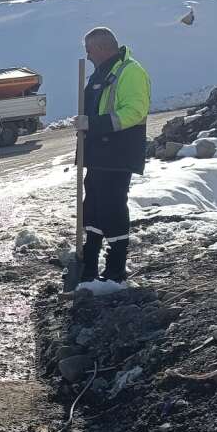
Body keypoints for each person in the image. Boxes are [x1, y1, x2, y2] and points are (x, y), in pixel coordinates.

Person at [74, 27, 151, 284]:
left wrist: (93, 125)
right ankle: (90, 260)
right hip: (98, 155)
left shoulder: (130, 72)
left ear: (102, 48)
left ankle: (116, 266)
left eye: (89, 51)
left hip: (118, 154)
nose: (87, 57)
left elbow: (135, 111)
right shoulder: (101, 73)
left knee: (112, 207)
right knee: (93, 206)